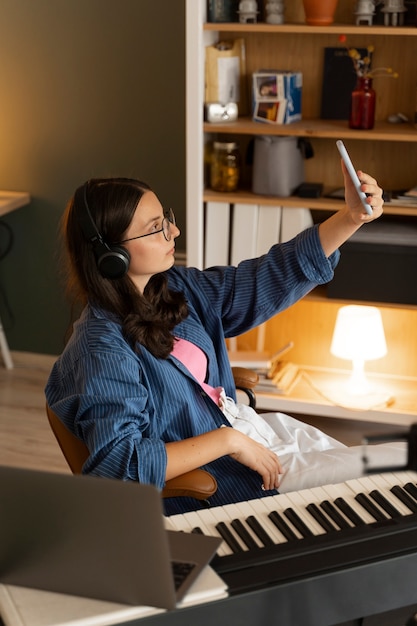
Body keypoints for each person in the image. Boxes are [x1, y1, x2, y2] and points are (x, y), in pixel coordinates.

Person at [45, 165, 407, 516]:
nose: (175, 231)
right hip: (230, 475)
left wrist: (350, 217)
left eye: (165, 218)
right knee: (399, 470)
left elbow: (266, 278)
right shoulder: (102, 350)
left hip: (254, 431)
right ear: (112, 256)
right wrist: (227, 440)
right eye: (156, 228)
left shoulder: (174, 288)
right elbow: (118, 467)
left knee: (389, 475)